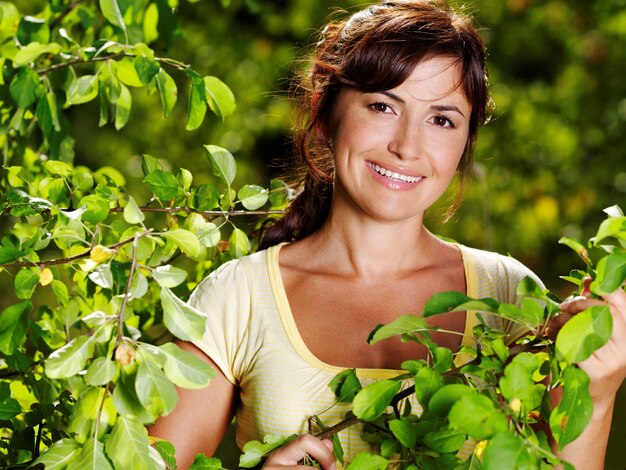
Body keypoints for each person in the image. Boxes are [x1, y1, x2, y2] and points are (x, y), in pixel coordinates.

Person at [149, 1, 626, 468]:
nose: (406, 146)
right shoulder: (238, 298)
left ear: (464, 143)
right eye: (382, 106)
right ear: (325, 112)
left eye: (441, 119)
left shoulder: (509, 296)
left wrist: (596, 396)